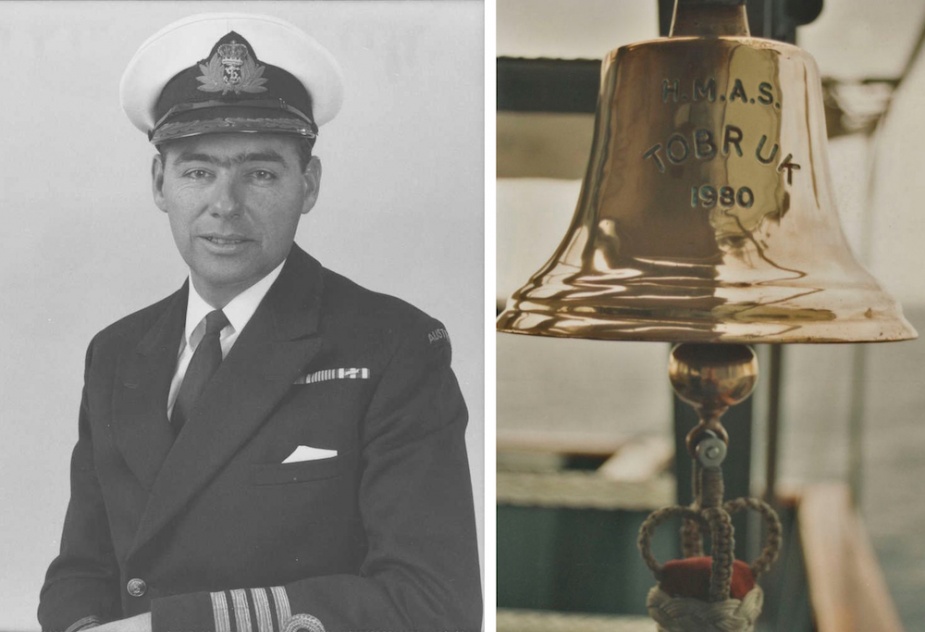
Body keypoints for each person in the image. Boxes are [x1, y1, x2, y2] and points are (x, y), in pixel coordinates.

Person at [37, 12, 482, 632]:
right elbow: (81, 569)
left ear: (309, 184)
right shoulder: (115, 353)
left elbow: (434, 604)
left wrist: (170, 627)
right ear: (159, 183)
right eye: (198, 171)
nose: (225, 204)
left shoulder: (393, 346)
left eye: (261, 173)